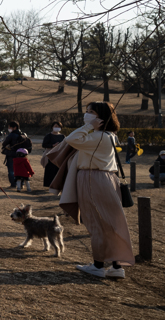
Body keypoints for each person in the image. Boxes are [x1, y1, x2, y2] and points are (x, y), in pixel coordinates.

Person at [64, 101, 134, 278]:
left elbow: (71, 139)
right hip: (109, 179)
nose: (86, 114)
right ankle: (117, 266)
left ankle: (98, 265)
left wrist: (88, 126)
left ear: (100, 117)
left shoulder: (97, 137)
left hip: (91, 178)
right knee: (111, 222)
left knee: (96, 222)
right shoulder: (110, 135)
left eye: (91, 112)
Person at [1, 121, 32, 188]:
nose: (9, 129)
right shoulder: (24, 134)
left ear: (14, 127)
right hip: (22, 156)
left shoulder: (11, 135)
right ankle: (22, 184)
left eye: (9, 127)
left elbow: (4, 144)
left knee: (11, 170)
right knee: (22, 170)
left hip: (12, 155)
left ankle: (13, 184)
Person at [42, 121, 66, 189]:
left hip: (59, 155)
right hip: (50, 154)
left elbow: (65, 145)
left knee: (58, 170)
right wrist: (52, 145)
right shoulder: (48, 135)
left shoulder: (62, 136)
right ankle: (49, 184)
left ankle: (57, 185)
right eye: (55, 126)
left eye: (58, 126)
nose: (57, 128)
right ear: (52, 127)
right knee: (50, 170)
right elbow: (44, 145)